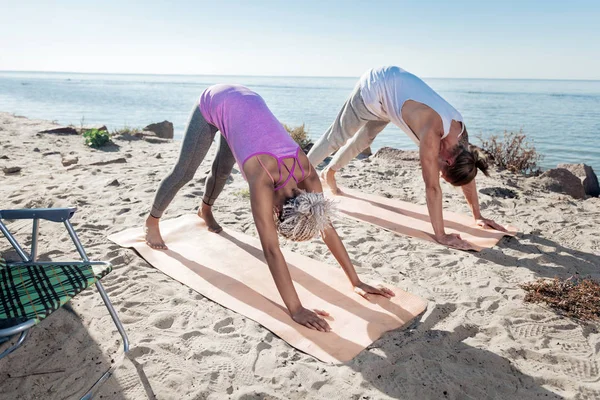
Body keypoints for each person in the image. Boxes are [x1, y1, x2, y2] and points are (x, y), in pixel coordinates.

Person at [144, 84, 394, 331]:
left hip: (246, 105)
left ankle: (205, 210)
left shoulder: (306, 173)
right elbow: (272, 250)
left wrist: (356, 280)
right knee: (184, 172)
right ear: (277, 212)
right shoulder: (261, 179)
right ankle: (152, 221)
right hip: (216, 101)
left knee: (221, 171)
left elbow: (326, 225)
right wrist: (296, 309)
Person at [307, 66, 507, 251]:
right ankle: (293, 172)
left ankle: (329, 173)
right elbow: (432, 187)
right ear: (448, 162)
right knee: (337, 137)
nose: (439, 174)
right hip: (375, 86)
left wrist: (477, 215)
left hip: (393, 96)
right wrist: (441, 235)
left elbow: (468, 169)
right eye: (443, 174)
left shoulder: (460, 139)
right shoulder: (432, 133)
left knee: (364, 139)